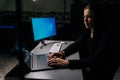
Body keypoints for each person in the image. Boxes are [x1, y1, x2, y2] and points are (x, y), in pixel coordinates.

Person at [48, 4, 119, 80]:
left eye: (88, 17)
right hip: (92, 68)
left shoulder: (107, 35)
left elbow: (95, 60)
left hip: (102, 73)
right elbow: (77, 44)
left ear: (96, 18)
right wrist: (62, 52)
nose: (85, 20)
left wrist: (67, 63)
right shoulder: (88, 30)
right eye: (84, 17)